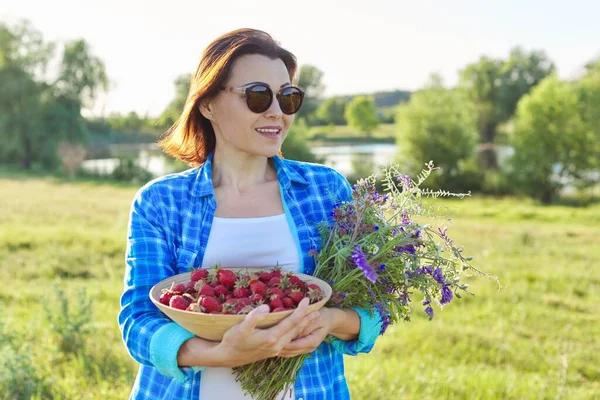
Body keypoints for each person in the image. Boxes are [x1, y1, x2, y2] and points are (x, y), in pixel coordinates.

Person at [118, 28, 383, 400]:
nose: (276, 111)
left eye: (288, 98)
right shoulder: (161, 202)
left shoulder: (328, 190)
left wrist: (330, 321)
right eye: (257, 96)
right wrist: (219, 354)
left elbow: (374, 309)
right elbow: (138, 322)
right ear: (207, 103)